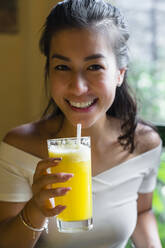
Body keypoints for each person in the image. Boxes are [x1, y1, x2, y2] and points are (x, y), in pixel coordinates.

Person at [0, 0, 163, 247]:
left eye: (94, 66)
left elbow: (142, 212)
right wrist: (35, 210)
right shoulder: (19, 147)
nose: (78, 87)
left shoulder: (144, 144)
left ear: (119, 73)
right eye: (62, 67)